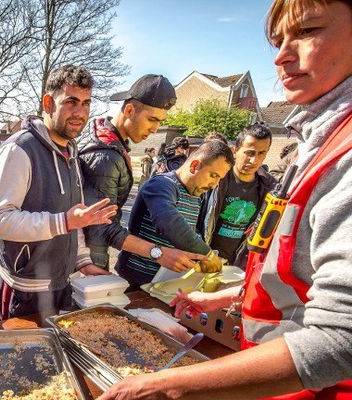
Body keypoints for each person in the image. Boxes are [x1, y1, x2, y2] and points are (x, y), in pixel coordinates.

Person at [99, 0, 352, 398]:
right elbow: (171, 227)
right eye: (277, 40)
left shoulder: (343, 154)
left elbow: (340, 337)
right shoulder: (160, 184)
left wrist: (172, 386)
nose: (282, 55)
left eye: (307, 31)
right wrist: (221, 281)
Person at [0, 65, 117, 320]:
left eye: (86, 103)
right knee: (23, 357)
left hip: (62, 283)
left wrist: (82, 261)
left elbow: (76, 218)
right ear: (48, 103)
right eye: (71, 102)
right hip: (24, 289)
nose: (80, 112)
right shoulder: (19, 149)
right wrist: (63, 222)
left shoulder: (71, 150)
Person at [77, 74, 207, 273]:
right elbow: (101, 227)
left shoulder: (108, 138)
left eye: (161, 121)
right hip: (87, 260)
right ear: (129, 110)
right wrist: (159, 253)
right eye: (152, 119)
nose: (155, 129)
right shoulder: (106, 157)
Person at [115, 141, 233, 290]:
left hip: (168, 283)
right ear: (194, 165)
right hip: (137, 279)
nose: (214, 185)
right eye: (213, 175)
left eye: (219, 179)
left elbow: (192, 231)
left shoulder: (198, 194)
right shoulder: (162, 184)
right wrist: (207, 254)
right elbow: (168, 222)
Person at [198, 123, 277, 267]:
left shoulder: (270, 188)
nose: (254, 160)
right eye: (250, 153)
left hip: (238, 266)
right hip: (203, 259)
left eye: (261, 153)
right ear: (235, 150)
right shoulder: (216, 179)